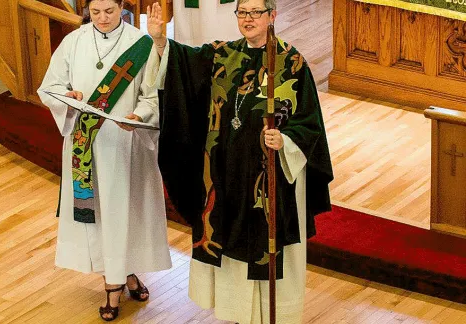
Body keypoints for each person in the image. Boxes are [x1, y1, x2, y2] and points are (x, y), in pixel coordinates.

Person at [146, 0, 333, 323]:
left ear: (272, 16)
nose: (248, 19)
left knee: (267, 251)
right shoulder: (222, 54)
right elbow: (183, 67)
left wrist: (285, 140)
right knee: (230, 244)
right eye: (242, 13)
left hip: (269, 182)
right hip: (226, 177)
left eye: (255, 13)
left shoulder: (291, 63)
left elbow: (309, 123)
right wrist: (161, 41)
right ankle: (237, 316)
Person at [37, 0, 172, 321]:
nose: (102, 18)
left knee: (126, 213)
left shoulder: (139, 44)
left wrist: (138, 114)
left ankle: (123, 274)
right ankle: (115, 282)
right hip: (86, 145)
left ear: (121, 7)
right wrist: (68, 98)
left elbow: (154, 92)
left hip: (127, 144)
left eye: (109, 11)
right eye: (95, 12)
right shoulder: (75, 41)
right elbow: (50, 87)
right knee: (99, 217)